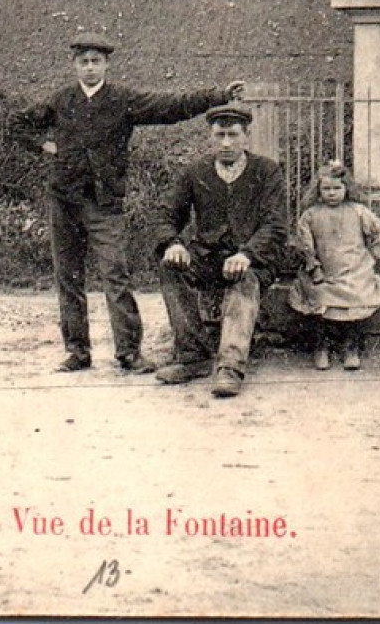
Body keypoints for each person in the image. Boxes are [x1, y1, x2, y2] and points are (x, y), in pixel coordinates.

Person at [13, 35, 244, 374]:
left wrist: (219, 96)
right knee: (68, 277)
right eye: (84, 61)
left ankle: (128, 352)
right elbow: (20, 124)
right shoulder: (61, 101)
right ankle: (77, 351)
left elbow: (171, 106)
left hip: (104, 204)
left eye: (96, 61)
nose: (90, 67)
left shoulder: (123, 100)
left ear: (106, 65)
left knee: (115, 275)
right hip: (63, 201)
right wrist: (47, 146)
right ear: (74, 65)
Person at [152, 103, 291, 398]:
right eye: (219, 135)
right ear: (210, 137)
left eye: (233, 135)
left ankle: (230, 366)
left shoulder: (267, 171)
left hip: (253, 259)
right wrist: (172, 244)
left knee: (245, 279)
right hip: (207, 256)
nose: (226, 143)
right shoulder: (195, 172)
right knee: (171, 268)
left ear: (246, 137)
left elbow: (276, 225)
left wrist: (247, 254)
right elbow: (165, 214)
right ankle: (193, 356)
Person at [289, 161, 380, 371]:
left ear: (346, 188)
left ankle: (351, 347)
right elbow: (305, 245)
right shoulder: (310, 215)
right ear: (318, 190)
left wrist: (374, 254)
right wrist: (314, 267)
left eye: (337, 188)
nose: (332, 193)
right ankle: (321, 347)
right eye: (326, 189)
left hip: (355, 270)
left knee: (357, 297)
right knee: (317, 298)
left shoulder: (358, 212)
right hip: (323, 271)